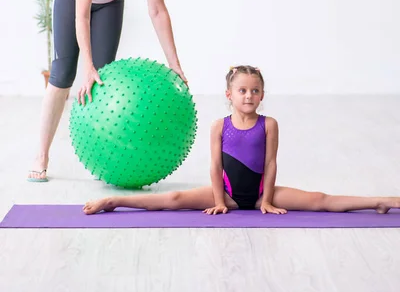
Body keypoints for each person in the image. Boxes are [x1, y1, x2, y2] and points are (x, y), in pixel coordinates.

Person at [83, 65, 400, 215]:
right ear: (229, 95)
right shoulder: (219, 125)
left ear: (262, 94)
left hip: (264, 191)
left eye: (255, 90)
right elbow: (215, 166)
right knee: (175, 201)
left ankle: (381, 201)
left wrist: (268, 200)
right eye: (242, 90)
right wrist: (220, 201)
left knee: (319, 200)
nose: (249, 95)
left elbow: (271, 163)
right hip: (229, 195)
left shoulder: (269, 124)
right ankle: (115, 201)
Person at [28, 0, 187, 182]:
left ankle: (105, 156)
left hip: (111, 0)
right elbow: (82, 16)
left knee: (104, 77)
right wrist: (85, 66)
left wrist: (175, 64)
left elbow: (157, 9)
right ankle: (41, 156)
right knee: (64, 73)